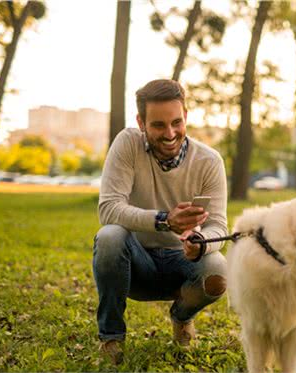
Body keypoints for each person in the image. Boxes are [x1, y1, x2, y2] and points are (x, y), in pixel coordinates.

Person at [93, 79, 228, 364]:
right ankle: (111, 338)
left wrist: (201, 243)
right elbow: (108, 209)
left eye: (176, 122)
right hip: (135, 265)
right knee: (109, 236)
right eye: (158, 125)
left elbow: (218, 226)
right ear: (141, 122)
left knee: (218, 269)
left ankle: (182, 317)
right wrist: (164, 220)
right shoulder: (128, 143)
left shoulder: (209, 161)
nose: (170, 134)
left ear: (186, 117)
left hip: (183, 264)